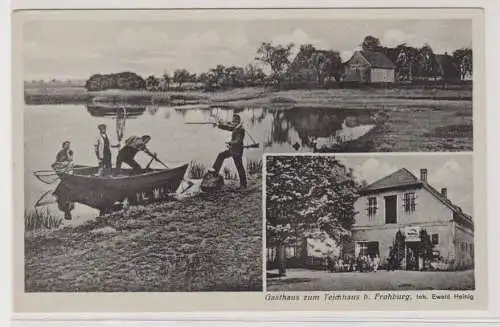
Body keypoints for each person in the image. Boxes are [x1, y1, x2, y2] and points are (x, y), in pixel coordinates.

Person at [208, 114, 247, 188]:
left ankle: (243, 184)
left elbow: (238, 141)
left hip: (237, 151)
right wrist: (218, 125)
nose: (232, 122)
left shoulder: (241, 129)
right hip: (233, 149)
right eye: (232, 120)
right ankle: (215, 171)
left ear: (238, 121)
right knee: (221, 155)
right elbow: (228, 127)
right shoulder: (236, 127)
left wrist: (230, 143)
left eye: (234, 121)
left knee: (239, 166)